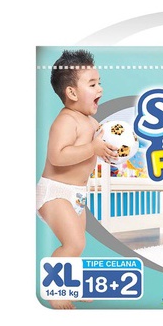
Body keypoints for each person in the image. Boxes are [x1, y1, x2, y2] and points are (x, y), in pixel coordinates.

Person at [36, 49, 118, 309]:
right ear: (71, 93)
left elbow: (93, 151)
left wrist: (107, 152)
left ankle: (71, 284)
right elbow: (58, 156)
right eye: (92, 84)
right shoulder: (66, 121)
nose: (100, 88)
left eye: (99, 82)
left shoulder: (91, 122)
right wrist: (93, 147)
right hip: (56, 192)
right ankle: (55, 291)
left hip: (78, 195)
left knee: (77, 246)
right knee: (73, 243)